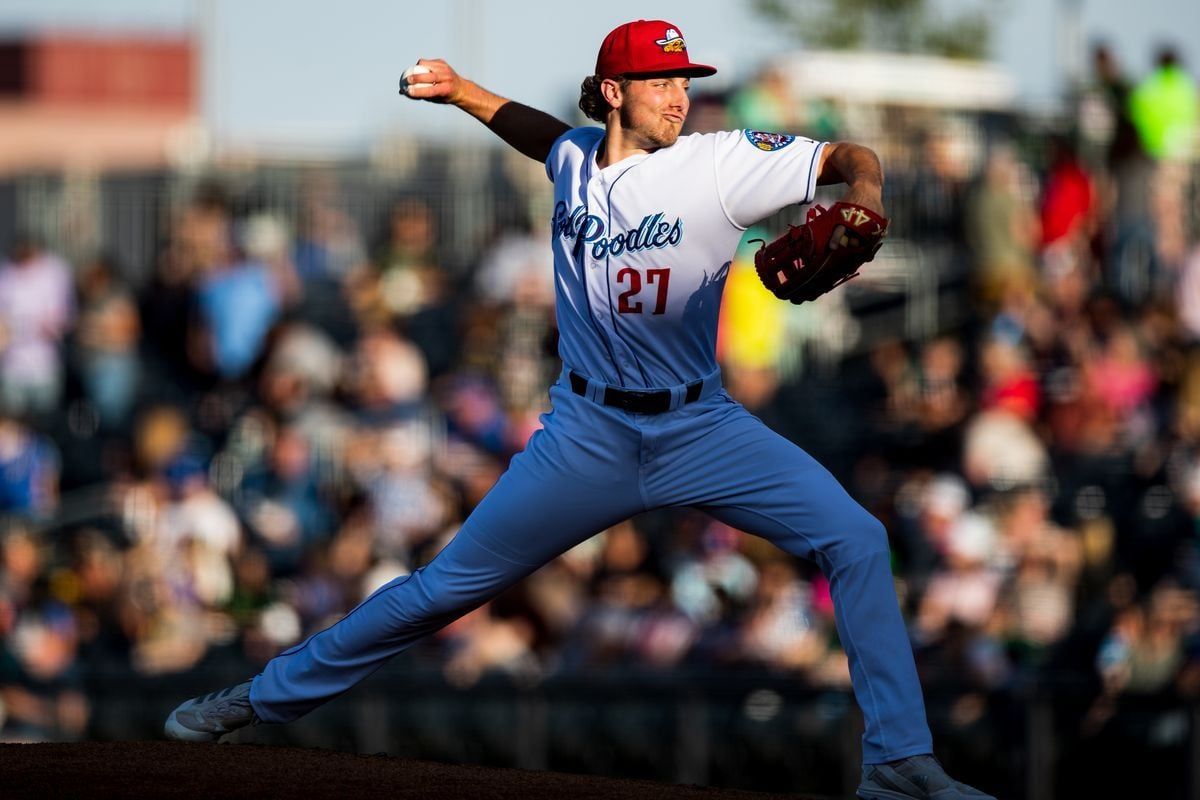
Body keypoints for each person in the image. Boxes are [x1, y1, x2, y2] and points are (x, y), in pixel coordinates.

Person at [164, 19, 994, 800]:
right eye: (660, 79)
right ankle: (259, 701)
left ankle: (899, 764)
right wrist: (462, 92)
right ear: (612, 92)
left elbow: (850, 155)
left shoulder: (715, 162)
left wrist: (871, 192)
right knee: (443, 587)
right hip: (587, 435)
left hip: (699, 425)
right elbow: (537, 134)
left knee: (855, 537)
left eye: (683, 78)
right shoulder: (572, 156)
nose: (678, 93)